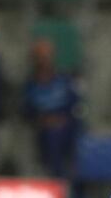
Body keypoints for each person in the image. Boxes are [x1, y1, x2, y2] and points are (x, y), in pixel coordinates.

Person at [23, 39, 81, 178]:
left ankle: (70, 178)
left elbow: (75, 104)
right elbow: (26, 110)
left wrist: (64, 118)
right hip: (42, 127)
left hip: (66, 124)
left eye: (47, 56)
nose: (44, 60)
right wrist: (42, 119)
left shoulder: (64, 79)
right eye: (40, 57)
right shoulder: (30, 84)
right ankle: (57, 179)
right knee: (51, 136)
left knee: (68, 132)